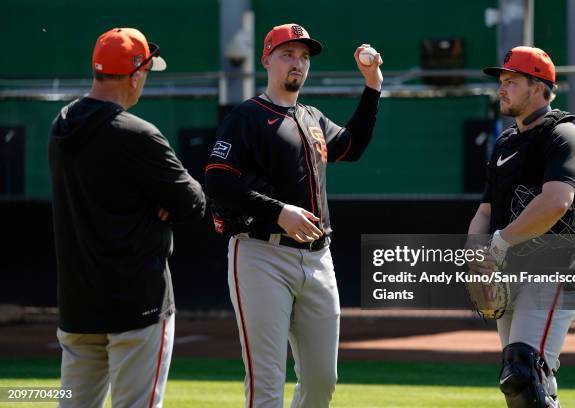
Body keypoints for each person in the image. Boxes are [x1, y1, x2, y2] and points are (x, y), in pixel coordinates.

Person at [205, 23, 382, 408]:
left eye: (303, 57)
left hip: (319, 258)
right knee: (266, 383)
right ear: (266, 59)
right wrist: (279, 212)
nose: (297, 63)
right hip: (261, 255)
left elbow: (351, 147)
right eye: (288, 54)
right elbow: (217, 182)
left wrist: (372, 86)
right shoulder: (247, 117)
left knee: (322, 382)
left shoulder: (312, 117)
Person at [48, 28, 206, 408]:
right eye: (146, 74)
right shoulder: (138, 134)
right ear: (135, 75)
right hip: (137, 305)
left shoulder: (60, 125)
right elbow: (194, 203)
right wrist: (158, 197)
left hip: (78, 306)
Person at [468, 46, 575, 408]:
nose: (501, 89)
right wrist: (475, 255)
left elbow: (556, 202)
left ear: (538, 86)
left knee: (523, 369)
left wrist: (499, 244)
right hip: (508, 276)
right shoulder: (505, 142)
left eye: (511, 81)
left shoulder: (564, 136)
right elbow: (485, 211)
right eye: (502, 81)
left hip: (551, 274)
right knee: (520, 382)